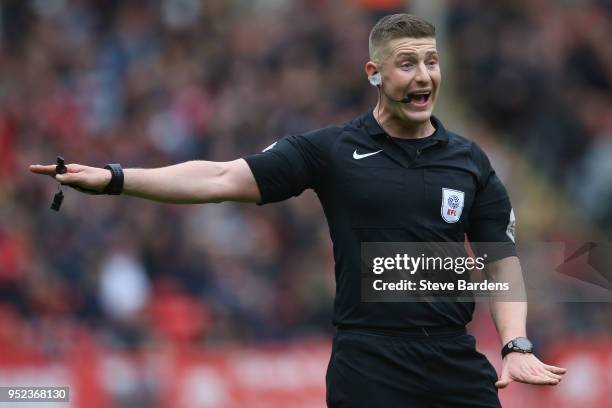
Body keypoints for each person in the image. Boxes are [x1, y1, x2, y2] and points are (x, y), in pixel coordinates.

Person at [31, 13, 566, 408]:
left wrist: (515, 342)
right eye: (407, 64)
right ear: (374, 72)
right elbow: (221, 177)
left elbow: (500, 260)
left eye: (430, 61)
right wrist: (116, 178)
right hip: (370, 365)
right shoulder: (331, 149)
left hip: (455, 361)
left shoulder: (470, 162)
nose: (423, 76)